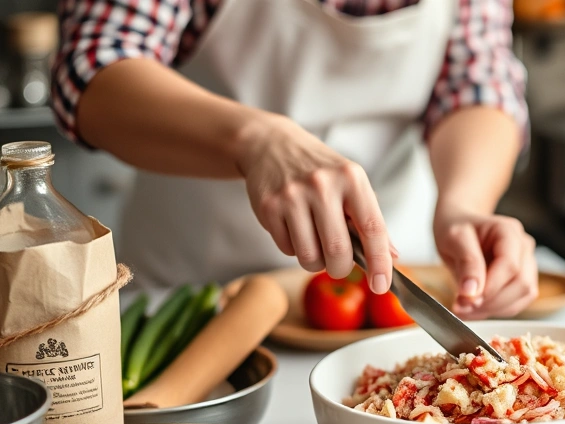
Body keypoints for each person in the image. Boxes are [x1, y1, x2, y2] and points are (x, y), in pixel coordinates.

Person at [51, 0, 538, 320]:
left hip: (389, 305)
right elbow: (91, 71)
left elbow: (478, 86)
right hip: (187, 301)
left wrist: (464, 205)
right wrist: (256, 139)